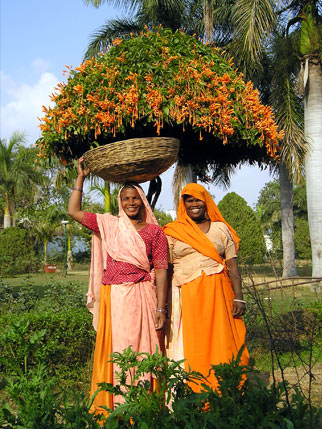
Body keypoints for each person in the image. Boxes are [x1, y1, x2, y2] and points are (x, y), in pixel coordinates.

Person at [68, 157, 168, 412]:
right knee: (119, 350)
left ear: (143, 201)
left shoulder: (155, 233)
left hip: (144, 298)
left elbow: (162, 270)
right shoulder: (109, 225)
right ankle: (116, 406)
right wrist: (81, 177)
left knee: (145, 350)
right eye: (126, 199)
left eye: (135, 198)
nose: (131, 203)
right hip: (116, 301)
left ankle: (147, 406)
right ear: (121, 203)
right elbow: (74, 212)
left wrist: (161, 308)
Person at [164, 183, 249, 392]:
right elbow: (165, 268)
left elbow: (232, 264)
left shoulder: (221, 229)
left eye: (198, 199)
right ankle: (198, 391)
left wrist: (239, 297)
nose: (194, 204)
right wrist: (163, 305)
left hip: (219, 294)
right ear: (183, 204)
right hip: (188, 296)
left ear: (206, 201)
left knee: (224, 341)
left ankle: (227, 388)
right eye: (189, 200)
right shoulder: (174, 231)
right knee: (195, 343)